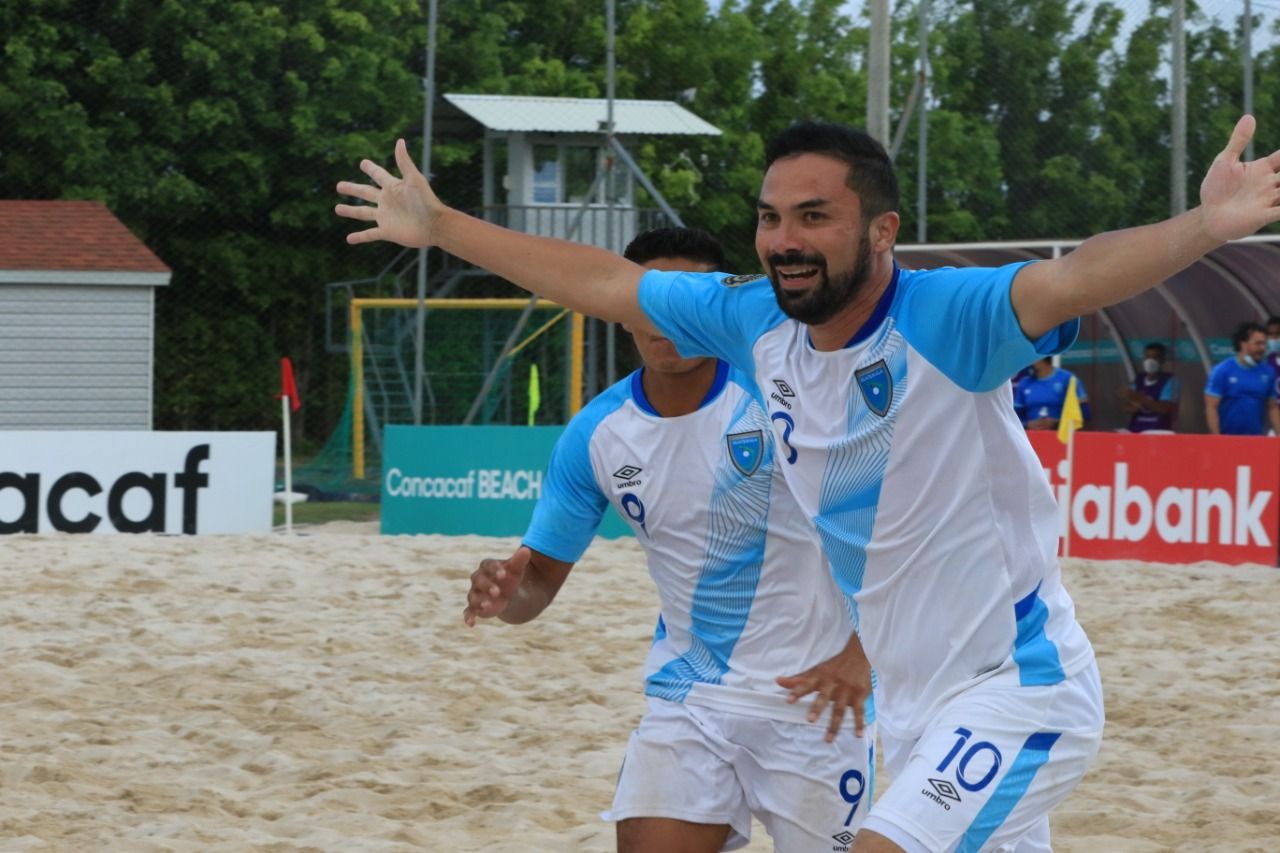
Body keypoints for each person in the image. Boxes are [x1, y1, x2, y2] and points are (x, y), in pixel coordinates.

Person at [337, 114, 1280, 852]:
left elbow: (1074, 277)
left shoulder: (948, 318)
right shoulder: (754, 326)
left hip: (1017, 684)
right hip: (906, 714)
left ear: (882, 230)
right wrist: (443, 227)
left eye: (813, 217)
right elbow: (602, 283)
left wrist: (1206, 226)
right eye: (769, 216)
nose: (784, 239)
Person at [463, 227, 877, 852]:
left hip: (818, 704)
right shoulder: (597, 433)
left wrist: (861, 653)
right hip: (691, 700)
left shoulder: (789, 394)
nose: (665, 321)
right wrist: (507, 591)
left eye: (683, 302)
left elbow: (895, 533)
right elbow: (537, 588)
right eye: (647, 304)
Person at [1204, 321, 1280, 436]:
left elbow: (1273, 407)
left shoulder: (1268, 372)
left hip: (1255, 440)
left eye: (1264, 344)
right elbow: (1211, 407)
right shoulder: (1222, 370)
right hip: (1227, 438)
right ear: (1243, 344)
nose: (1262, 348)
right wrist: (1216, 438)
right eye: (1258, 344)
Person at [1014, 356, 1091, 430]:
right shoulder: (1024, 383)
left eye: (1031, 358)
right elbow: (1016, 414)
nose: (1028, 363)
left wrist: (1057, 423)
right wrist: (1027, 424)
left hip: (1062, 436)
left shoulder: (1068, 379)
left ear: (1041, 358)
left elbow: (1084, 413)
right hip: (1030, 436)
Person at [1122, 342, 1179, 432]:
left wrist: (1141, 400)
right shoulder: (1138, 379)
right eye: (1147, 357)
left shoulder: (1170, 381)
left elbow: (1164, 409)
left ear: (1162, 360)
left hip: (1159, 433)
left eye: (1155, 357)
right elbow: (1127, 408)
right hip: (1135, 431)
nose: (1150, 361)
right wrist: (1134, 406)